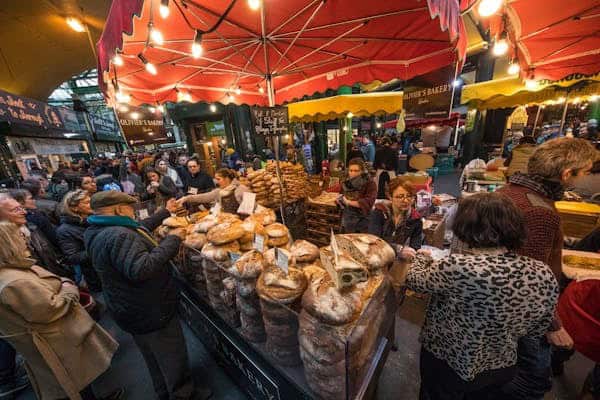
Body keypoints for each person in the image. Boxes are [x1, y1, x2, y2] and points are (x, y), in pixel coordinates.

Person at [407, 193, 558, 400]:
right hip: (501, 365)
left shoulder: (458, 266)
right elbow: (539, 326)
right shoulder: (541, 271)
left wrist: (420, 260)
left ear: (465, 226)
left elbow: (415, 281)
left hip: (447, 360)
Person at [84, 191, 211, 400]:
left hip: (127, 306)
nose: (132, 212)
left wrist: (163, 213)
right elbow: (142, 269)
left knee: (153, 356)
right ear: (118, 209)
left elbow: (138, 232)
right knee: (171, 354)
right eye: (129, 208)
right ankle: (183, 394)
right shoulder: (118, 234)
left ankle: (164, 391)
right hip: (149, 308)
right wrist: (173, 240)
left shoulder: (97, 228)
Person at [497, 137, 597, 399]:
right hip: (524, 316)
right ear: (566, 173)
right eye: (585, 172)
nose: (584, 179)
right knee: (532, 382)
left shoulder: (507, 192)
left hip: (501, 310)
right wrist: (553, 325)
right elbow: (529, 281)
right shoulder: (539, 211)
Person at [0, 219, 123, 400]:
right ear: (8, 243)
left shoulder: (13, 271)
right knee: (73, 383)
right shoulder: (14, 282)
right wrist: (67, 286)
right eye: (18, 235)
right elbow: (50, 309)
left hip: (56, 340)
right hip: (55, 342)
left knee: (78, 382)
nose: (25, 238)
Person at [1, 192, 69, 279]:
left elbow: (50, 252)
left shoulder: (32, 228)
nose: (24, 212)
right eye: (16, 210)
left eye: (21, 207)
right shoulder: (3, 242)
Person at [57, 190, 102, 293]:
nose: (91, 204)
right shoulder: (65, 230)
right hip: (95, 275)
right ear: (74, 208)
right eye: (86, 202)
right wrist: (98, 249)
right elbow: (73, 257)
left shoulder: (94, 219)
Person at [368, 178, 422, 252]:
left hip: (400, 257)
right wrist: (398, 249)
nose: (405, 201)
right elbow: (374, 240)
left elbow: (415, 245)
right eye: (400, 197)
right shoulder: (379, 212)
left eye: (409, 196)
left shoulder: (415, 218)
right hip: (379, 253)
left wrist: (419, 252)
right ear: (390, 197)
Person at [177, 168, 249, 214]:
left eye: (218, 179)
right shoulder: (219, 191)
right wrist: (186, 198)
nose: (216, 182)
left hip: (242, 224)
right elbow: (204, 197)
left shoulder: (243, 189)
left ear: (226, 178)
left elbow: (250, 208)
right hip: (227, 223)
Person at [337, 158, 377, 233]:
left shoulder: (370, 183)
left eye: (356, 171)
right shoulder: (346, 182)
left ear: (362, 171)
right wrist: (340, 200)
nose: (353, 173)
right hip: (348, 217)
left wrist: (348, 202)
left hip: (362, 219)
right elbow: (341, 193)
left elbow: (369, 201)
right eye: (351, 170)